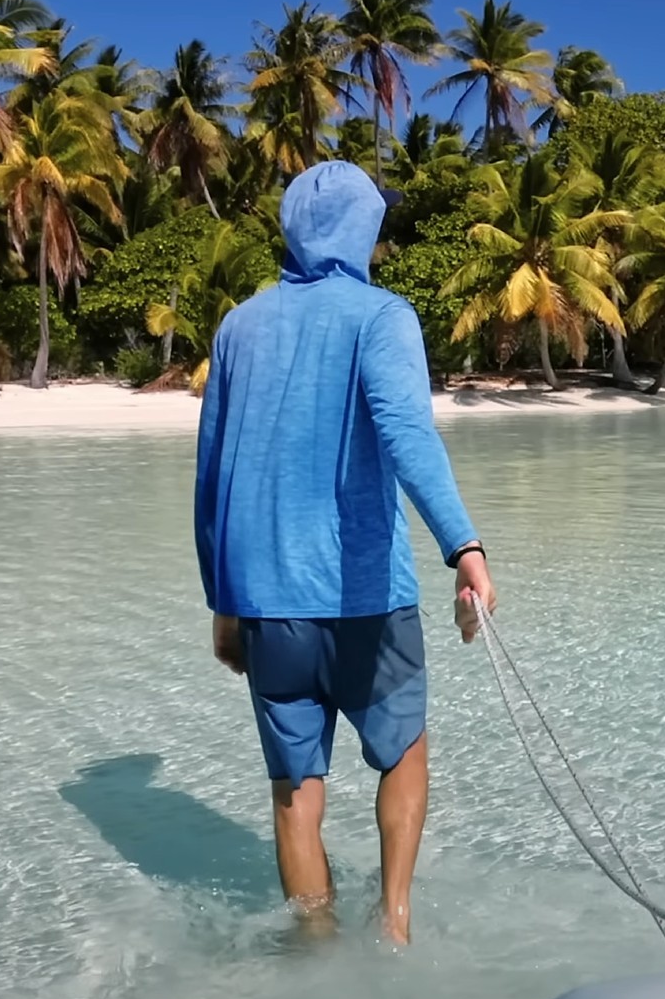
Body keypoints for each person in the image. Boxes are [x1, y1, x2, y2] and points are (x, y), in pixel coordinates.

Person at [194, 159, 496, 944]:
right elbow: (406, 436)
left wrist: (222, 605)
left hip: (263, 602)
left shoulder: (238, 326)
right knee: (404, 755)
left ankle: (315, 943)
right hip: (365, 596)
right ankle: (393, 926)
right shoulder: (380, 313)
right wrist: (463, 545)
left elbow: (213, 470)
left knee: (296, 791)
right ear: (365, 230)